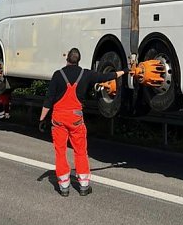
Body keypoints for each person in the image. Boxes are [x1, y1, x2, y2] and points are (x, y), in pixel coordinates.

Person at [39, 47, 126, 196]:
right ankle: (84, 185)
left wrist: (42, 119)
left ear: (67, 59)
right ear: (78, 60)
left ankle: (64, 186)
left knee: (60, 152)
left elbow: (49, 100)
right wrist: (123, 71)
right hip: (76, 120)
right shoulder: (86, 74)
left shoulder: (58, 75)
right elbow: (105, 77)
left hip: (58, 119)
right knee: (80, 151)